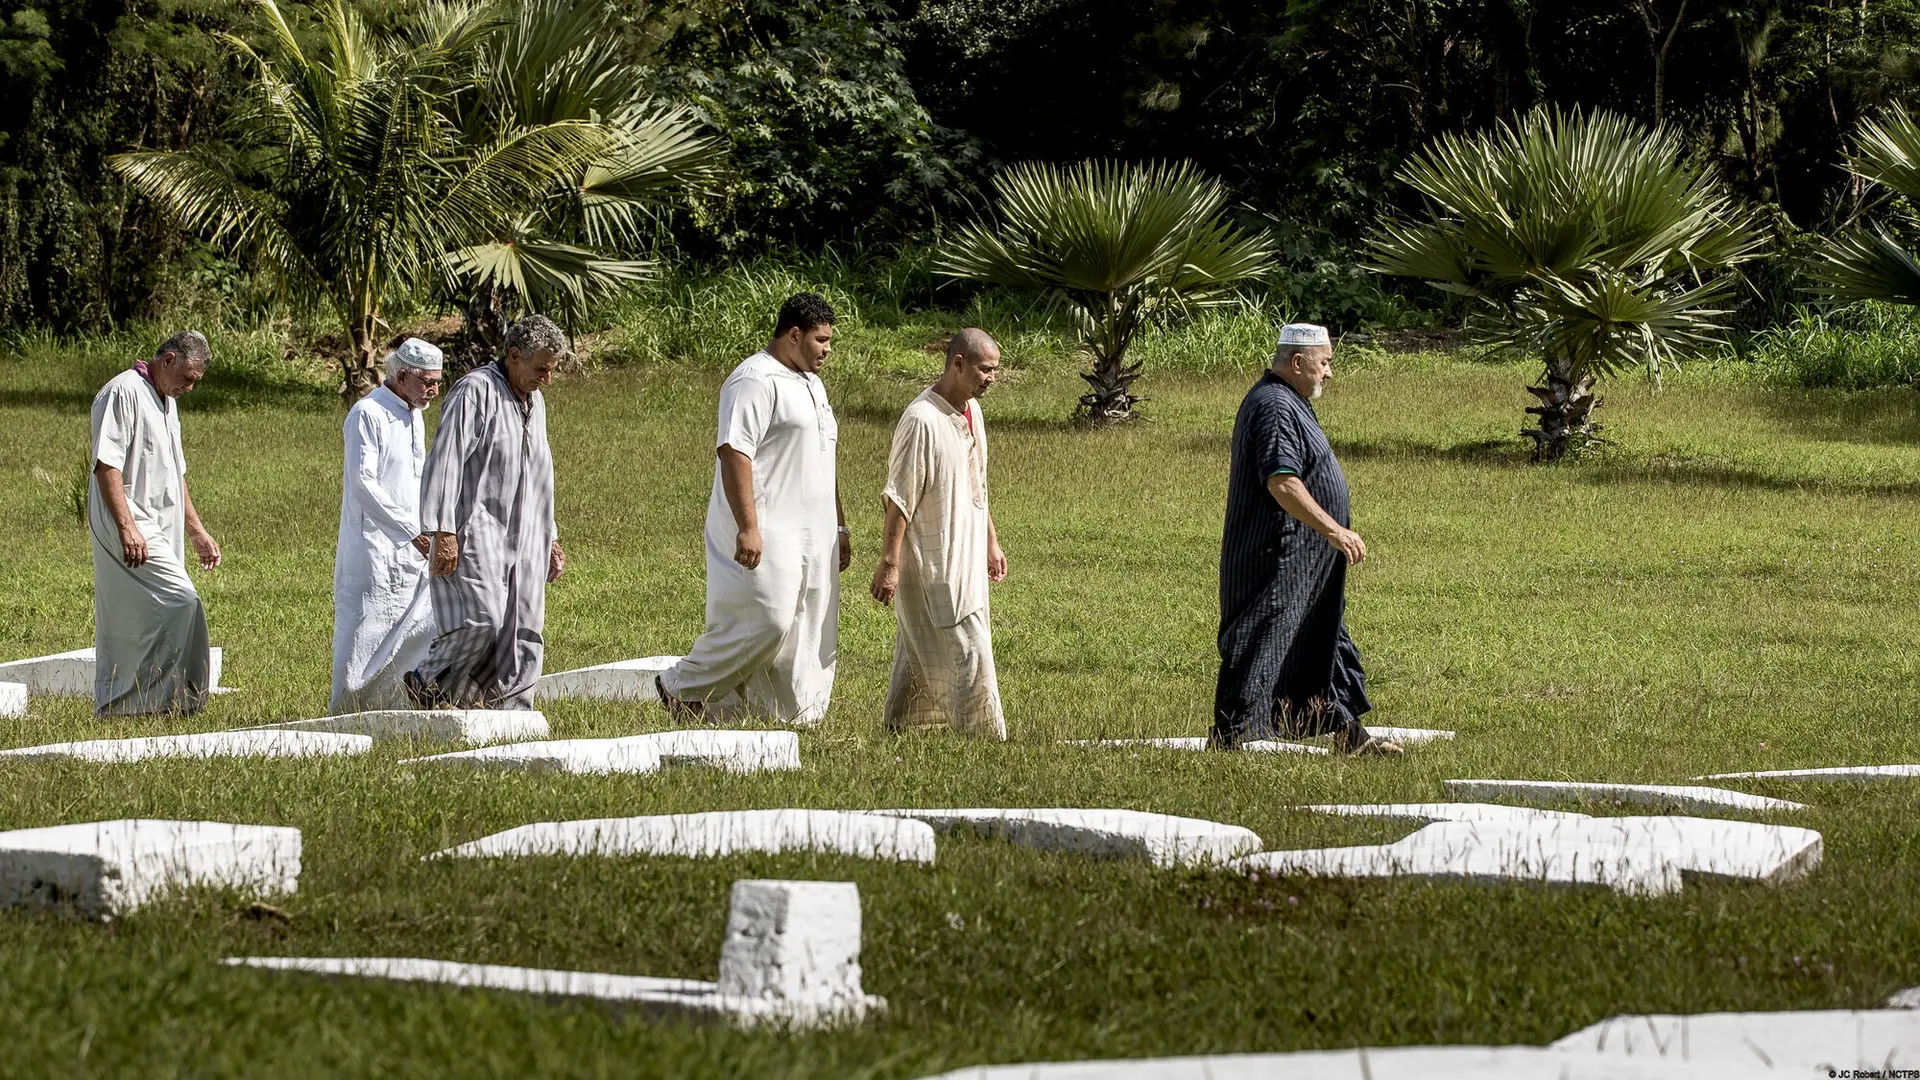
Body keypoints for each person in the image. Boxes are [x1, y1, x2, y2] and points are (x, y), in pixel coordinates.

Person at [658, 292, 850, 725]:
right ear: (794, 334)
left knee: (808, 626)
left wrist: (839, 527)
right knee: (768, 620)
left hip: (814, 531)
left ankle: (788, 716)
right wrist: (749, 526)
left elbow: (825, 457)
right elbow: (734, 452)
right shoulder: (753, 379)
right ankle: (681, 687)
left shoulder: (812, 384)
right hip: (767, 526)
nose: (827, 350)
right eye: (821, 340)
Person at [1211, 323, 1401, 756]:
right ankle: (1233, 739)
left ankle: (1349, 737)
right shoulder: (1274, 406)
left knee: (1320, 638)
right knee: (1264, 641)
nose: (1329, 373)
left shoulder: (1289, 401)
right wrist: (1333, 529)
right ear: (1298, 362)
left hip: (1305, 558)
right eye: (1325, 362)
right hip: (1275, 554)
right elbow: (1281, 481)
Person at [405, 317, 565, 709]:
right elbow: (446, 460)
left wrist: (551, 536)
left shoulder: (535, 402)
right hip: (476, 530)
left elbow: (540, 471)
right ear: (513, 356)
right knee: (482, 620)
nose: (547, 379)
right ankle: (428, 681)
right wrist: (442, 530)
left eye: (551, 370)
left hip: (528, 533)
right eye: (540, 368)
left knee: (524, 627)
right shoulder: (475, 391)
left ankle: (509, 711)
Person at [869, 329, 1008, 738]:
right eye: (985, 369)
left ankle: (904, 723)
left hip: (966, 553)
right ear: (958, 364)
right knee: (969, 647)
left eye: (996, 370)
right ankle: (985, 736)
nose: (991, 378)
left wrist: (991, 542)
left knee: (921, 643)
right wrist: (889, 564)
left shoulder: (972, 413)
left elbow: (976, 485)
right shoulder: (921, 420)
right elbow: (899, 500)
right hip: (935, 559)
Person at [88, 330, 222, 716]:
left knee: (148, 614)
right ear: (168, 360)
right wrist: (127, 526)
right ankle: (179, 700)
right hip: (129, 519)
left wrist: (196, 529)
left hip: (161, 525)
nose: (190, 388)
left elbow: (176, 472)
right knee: (183, 601)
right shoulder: (123, 391)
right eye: (188, 378)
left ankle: (157, 704)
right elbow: (106, 464)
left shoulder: (168, 400)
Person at [330, 338, 444, 712]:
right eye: (427, 381)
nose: (434, 389)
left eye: (437, 381)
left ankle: (397, 706)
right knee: (364, 631)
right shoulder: (368, 413)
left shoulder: (415, 413)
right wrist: (409, 531)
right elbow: (364, 482)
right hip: (374, 546)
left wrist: (429, 527)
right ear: (402, 375)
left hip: (414, 544)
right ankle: (347, 711)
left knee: (416, 626)